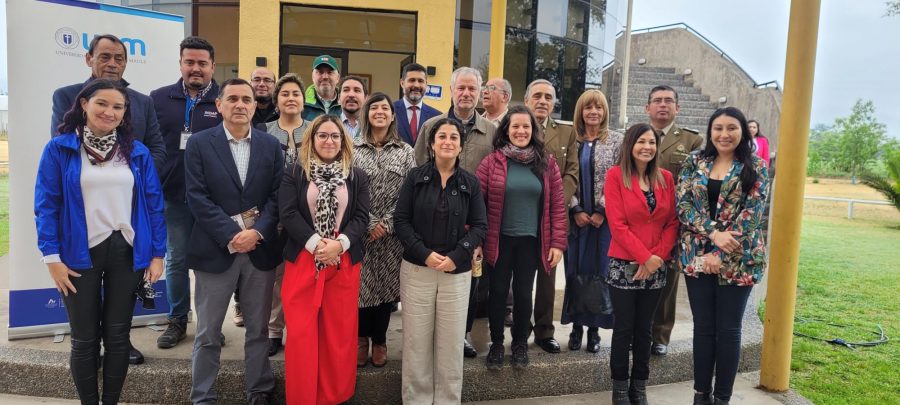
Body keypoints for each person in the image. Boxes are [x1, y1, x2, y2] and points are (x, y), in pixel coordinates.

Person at [35, 79, 166, 404]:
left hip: (127, 253)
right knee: (84, 340)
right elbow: (46, 204)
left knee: (119, 336)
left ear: (124, 113)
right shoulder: (61, 148)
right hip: (78, 255)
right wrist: (51, 257)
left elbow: (154, 204)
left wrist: (157, 253)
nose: (109, 112)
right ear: (84, 105)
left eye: (117, 107)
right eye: (102, 104)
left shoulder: (136, 152)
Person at [185, 78, 284, 405]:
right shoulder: (199, 144)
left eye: (247, 100)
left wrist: (256, 232)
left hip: (259, 250)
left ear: (255, 107)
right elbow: (196, 197)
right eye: (233, 99)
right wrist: (231, 234)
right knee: (208, 333)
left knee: (258, 332)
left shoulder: (271, 146)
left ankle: (258, 391)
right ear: (219, 105)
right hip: (215, 251)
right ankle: (202, 396)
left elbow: (276, 196)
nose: (240, 105)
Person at [676, 107, 768, 405]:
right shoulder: (695, 161)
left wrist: (720, 250)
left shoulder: (757, 166)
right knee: (703, 328)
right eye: (718, 128)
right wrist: (713, 235)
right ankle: (701, 393)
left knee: (728, 329)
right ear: (710, 131)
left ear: (743, 131)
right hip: (697, 256)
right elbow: (684, 206)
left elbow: (752, 215)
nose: (724, 134)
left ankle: (722, 398)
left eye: (731, 128)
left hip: (739, 259)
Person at [279, 114, 370, 405]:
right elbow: (288, 213)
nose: (329, 141)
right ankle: (303, 398)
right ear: (311, 139)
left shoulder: (356, 175)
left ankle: (335, 397)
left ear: (343, 140)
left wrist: (339, 245)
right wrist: (317, 243)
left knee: (338, 336)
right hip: (304, 261)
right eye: (323, 136)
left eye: (335, 136)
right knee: (302, 336)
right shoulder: (294, 172)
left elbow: (361, 218)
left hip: (342, 263)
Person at [395, 118, 487, 404]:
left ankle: (448, 399)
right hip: (417, 269)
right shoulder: (415, 178)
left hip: (455, 273)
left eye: (453, 138)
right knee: (416, 343)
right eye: (442, 137)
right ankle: (416, 400)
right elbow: (401, 220)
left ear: (461, 146)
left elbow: (481, 226)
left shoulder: (470, 183)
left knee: (450, 345)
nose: (447, 141)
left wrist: (457, 255)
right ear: (432, 144)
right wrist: (423, 253)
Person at [413, 67, 496, 358]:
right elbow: (418, 172)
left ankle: (461, 335)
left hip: (473, 224)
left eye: (472, 89)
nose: (466, 94)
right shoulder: (431, 127)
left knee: (470, 285)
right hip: (432, 222)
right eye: (461, 88)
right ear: (451, 90)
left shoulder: (491, 132)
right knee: (432, 283)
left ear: (480, 93)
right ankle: (433, 337)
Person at [476, 105, 567, 370]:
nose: (520, 131)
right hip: (499, 239)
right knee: (498, 293)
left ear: (533, 130)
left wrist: (558, 243)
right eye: (515, 126)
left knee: (525, 294)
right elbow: (477, 204)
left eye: (526, 126)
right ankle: (495, 343)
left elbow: (558, 206)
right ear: (506, 130)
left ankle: (518, 345)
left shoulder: (547, 163)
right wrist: (477, 241)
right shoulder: (491, 162)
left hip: (531, 241)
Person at [151, 36, 222, 350]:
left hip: (213, 199)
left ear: (212, 66)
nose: (196, 68)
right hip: (174, 195)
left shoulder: (224, 99)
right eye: (189, 62)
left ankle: (211, 324)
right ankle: (177, 319)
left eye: (202, 63)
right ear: (180, 63)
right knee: (177, 260)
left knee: (211, 263)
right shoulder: (158, 99)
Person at [604, 123, 679, 405]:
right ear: (630, 145)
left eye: (651, 142)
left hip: (657, 265)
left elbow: (672, 222)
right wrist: (645, 257)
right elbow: (618, 225)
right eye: (641, 142)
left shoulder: (666, 179)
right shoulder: (615, 177)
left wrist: (656, 257)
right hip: (624, 264)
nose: (646, 147)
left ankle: (640, 386)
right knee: (624, 328)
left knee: (645, 329)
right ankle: (620, 388)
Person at [353, 93, 416, 368]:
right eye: (374, 108)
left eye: (385, 108)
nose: (380, 112)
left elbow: (411, 194)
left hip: (392, 236)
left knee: (384, 291)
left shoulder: (406, 151)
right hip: (359, 232)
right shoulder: (351, 149)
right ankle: (360, 339)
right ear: (367, 113)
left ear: (393, 116)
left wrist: (387, 223)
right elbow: (346, 190)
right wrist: (367, 223)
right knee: (359, 290)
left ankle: (379, 340)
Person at [560, 89, 623, 353]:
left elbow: (620, 176)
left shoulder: (617, 141)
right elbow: (564, 175)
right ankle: (576, 327)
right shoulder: (571, 140)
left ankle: (594, 331)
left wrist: (600, 210)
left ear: (605, 111)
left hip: (603, 222)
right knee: (575, 272)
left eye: (598, 107)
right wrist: (575, 209)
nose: (593, 112)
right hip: (577, 220)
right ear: (580, 112)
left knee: (600, 273)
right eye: (588, 107)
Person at [645, 85, 704, 356]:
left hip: (673, 222)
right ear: (647, 108)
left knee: (667, 280)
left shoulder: (691, 142)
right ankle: (640, 331)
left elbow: (695, 184)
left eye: (669, 101)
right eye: (657, 101)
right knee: (639, 276)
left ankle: (660, 334)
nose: (663, 105)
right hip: (641, 221)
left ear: (677, 108)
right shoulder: (638, 136)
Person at [51, 34, 166, 172]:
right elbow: (61, 146)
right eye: (105, 57)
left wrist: (137, 178)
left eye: (119, 59)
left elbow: (157, 149)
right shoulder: (66, 96)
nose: (112, 64)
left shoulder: (144, 102)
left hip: (130, 188)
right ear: (89, 59)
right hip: (81, 186)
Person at [522, 79, 579, 354]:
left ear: (554, 103)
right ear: (527, 100)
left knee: (547, 277)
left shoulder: (567, 133)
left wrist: (556, 202)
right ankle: (520, 328)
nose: (542, 101)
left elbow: (571, 173)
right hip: (520, 215)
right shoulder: (516, 127)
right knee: (519, 276)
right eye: (537, 96)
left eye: (548, 97)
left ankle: (544, 331)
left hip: (552, 217)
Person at [263, 73, 310, 356]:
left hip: (308, 215)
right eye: (285, 94)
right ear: (277, 100)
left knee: (301, 276)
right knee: (275, 276)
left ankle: (299, 328)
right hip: (273, 212)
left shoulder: (316, 130)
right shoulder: (264, 131)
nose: (290, 98)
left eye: (295, 94)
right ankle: (273, 330)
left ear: (304, 101)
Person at [395, 63, 441, 146]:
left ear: (426, 84)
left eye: (421, 81)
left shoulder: (437, 117)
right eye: (412, 80)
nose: (416, 85)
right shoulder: (390, 111)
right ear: (402, 83)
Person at [303, 55, 343, 121]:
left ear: (338, 77)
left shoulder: (345, 104)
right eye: (320, 72)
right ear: (313, 76)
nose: (325, 77)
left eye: (330, 72)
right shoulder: (302, 103)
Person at [337, 75, 368, 140]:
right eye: (346, 90)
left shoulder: (373, 126)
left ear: (366, 98)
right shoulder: (329, 124)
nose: (351, 95)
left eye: (357, 90)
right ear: (339, 98)